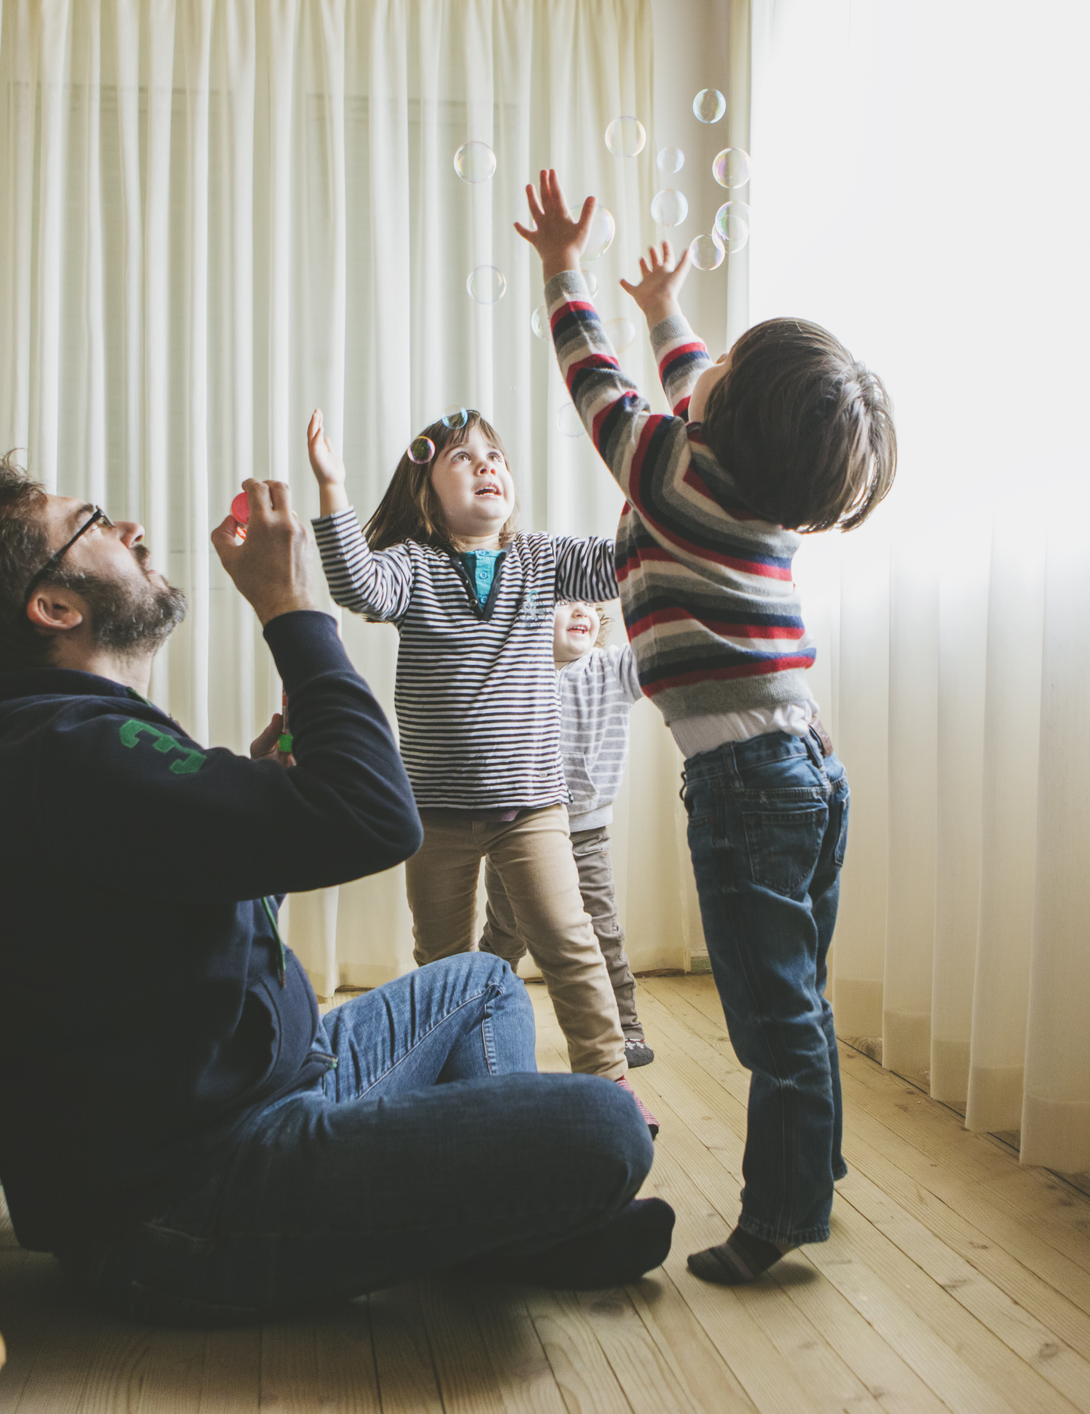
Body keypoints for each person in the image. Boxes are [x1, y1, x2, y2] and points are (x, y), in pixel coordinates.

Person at [0, 454, 673, 1323]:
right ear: (55, 607)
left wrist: (257, 781)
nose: (133, 531)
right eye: (97, 524)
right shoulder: (67, 753)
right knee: (602, 1126)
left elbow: (172, 896)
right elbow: (382, 817)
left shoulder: (52, 747)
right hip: (194, 1203)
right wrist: (289, 605)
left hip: (274, 1093)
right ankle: (495, 1216)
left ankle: (488, 1214)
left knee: (483, 983)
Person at [515, 170, 897, 1287]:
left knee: (770, 1014)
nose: (701, 366)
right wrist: (668, 310)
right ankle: (811, 1170)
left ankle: (778, 1215)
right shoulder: (748, 484)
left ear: (724, 421)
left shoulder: (672, 473)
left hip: (749, 783)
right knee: (801, 994)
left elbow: (599, 388)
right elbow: (694, 381)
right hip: (806, 767)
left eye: (720, 368)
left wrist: (563, 270)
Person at [304, 408, 654, 1125]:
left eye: (494, 455)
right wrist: (332, 489)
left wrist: (653, 476)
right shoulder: (412, 565)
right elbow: (357, 588)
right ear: (426, 493)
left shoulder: (540, 559)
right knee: (442, 961)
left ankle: (610, 1082)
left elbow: (624, 558)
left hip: (532, 806)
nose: (485, 465)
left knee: (567, 940)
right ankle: (454, 1086)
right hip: (433, 812)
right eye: (461, 458)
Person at [480, 600, 654, 1067]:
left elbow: (655, 651)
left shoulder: (612, 667)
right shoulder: (515, 671)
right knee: (506, 930)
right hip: (518, 832)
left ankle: (626, 1029)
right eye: (563, 602)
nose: (581, 610)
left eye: (589, 604)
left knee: (602, 929)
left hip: (586, 833)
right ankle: (473, 1017)